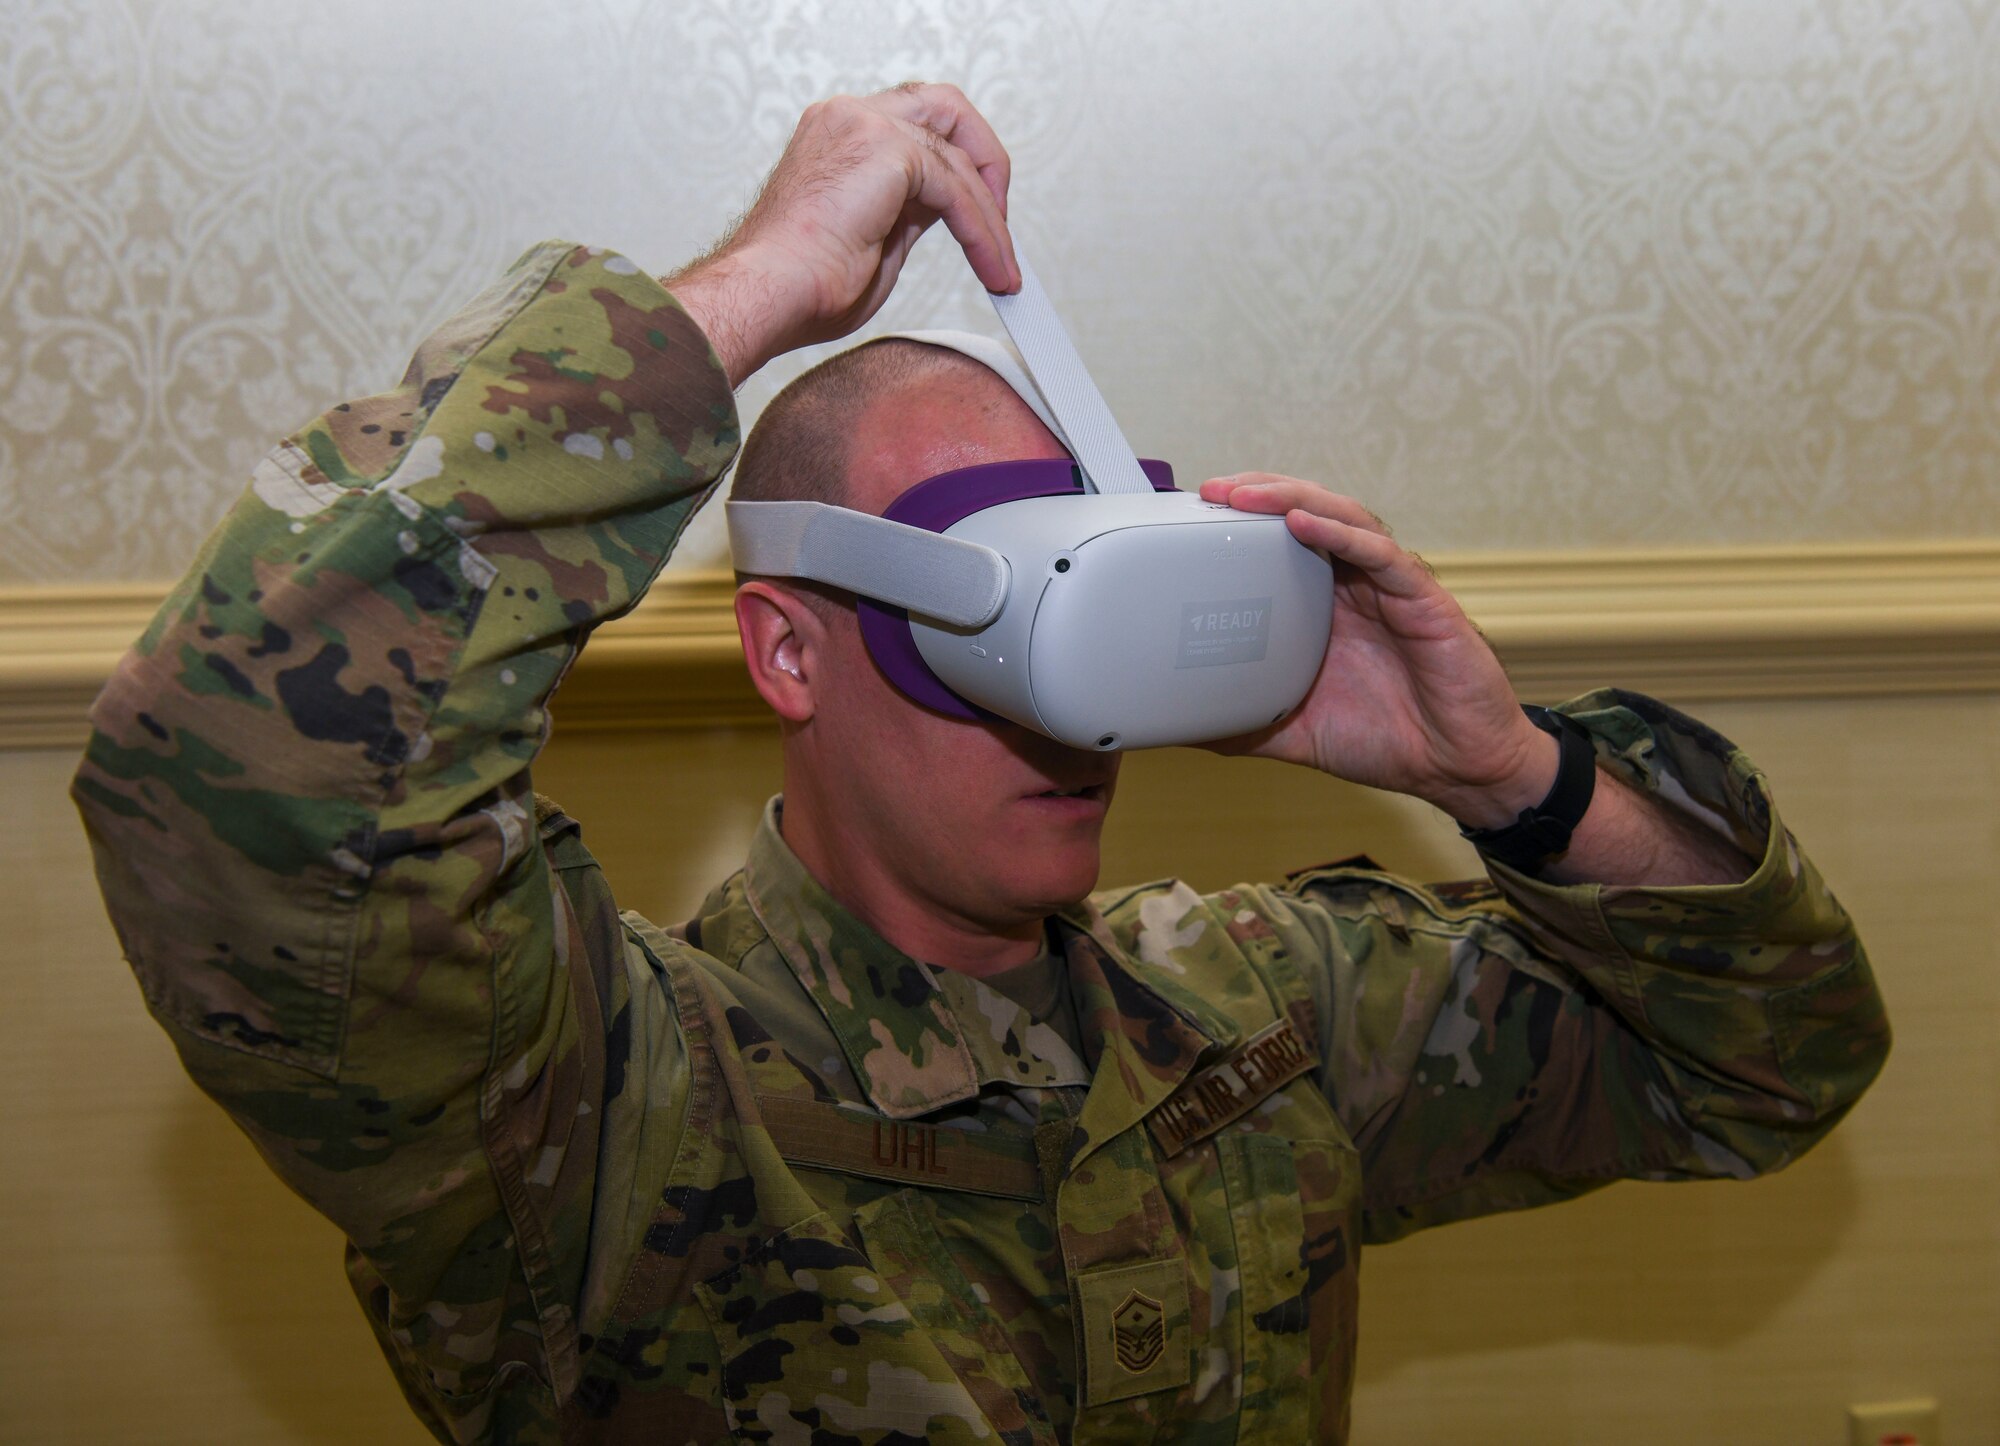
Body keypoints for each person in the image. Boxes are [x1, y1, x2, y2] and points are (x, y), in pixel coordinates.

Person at [74, 84, 1888, 1444]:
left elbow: (1764, 1063)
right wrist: (759, 289)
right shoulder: (600, 1115)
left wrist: (1509, 778)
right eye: (995, 608)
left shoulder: (1267, 1020)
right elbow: (234, 780)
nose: (1065, 702)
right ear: (788, 645)